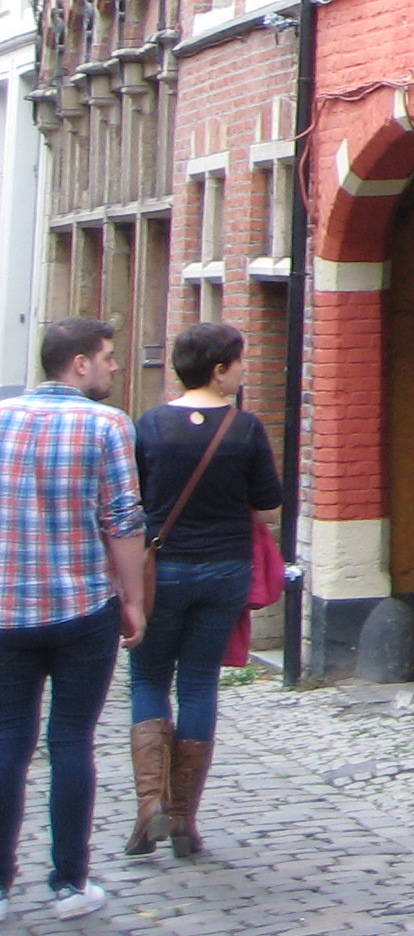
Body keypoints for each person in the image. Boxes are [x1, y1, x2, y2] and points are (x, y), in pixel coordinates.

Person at [0, 318, 149, 920]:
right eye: (108, 357)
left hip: (7, 609)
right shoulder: (108, 425)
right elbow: (124, 519)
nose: (115, 366)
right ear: (79, 364)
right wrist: (133, 599)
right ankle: (69, 883)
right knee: (71, 741)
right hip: (82, 608)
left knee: (7, 741)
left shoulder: (1, 419)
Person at [124, 323, 279, 863]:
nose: (243, 370)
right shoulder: (245, 429)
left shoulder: (151, 425)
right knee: (197, 682)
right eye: (239, 362)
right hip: (225, 571)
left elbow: (134, 499)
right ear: (218, 370)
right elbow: (269, 504)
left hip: (162, 570)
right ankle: (184, 818)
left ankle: (150, 802)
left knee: (148, 677)